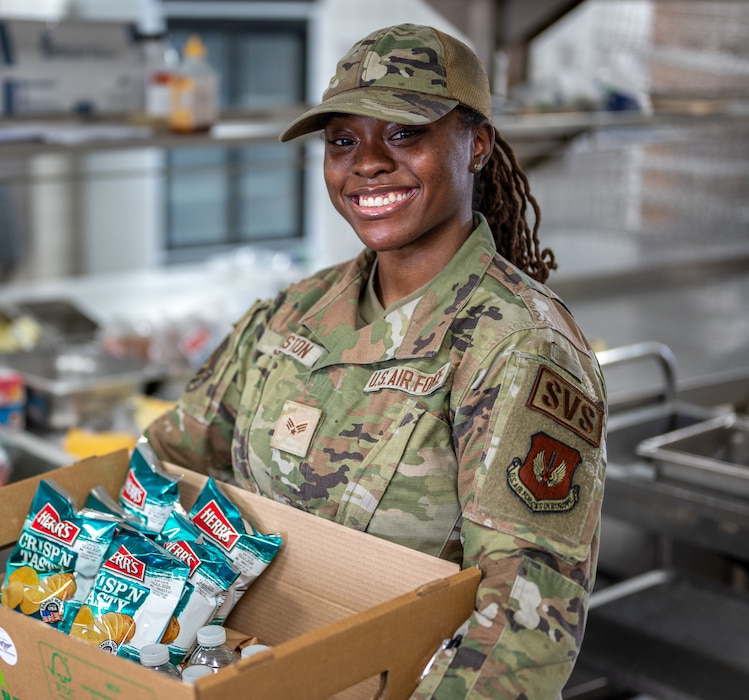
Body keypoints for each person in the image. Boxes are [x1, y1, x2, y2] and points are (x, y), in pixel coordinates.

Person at [145, 23, 606, 699]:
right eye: (342, 141)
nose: (365, 163)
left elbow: (524, 627)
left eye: (403, 133)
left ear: (475, 146)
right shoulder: (290, 313)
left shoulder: (516, 346)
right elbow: (167, 461)